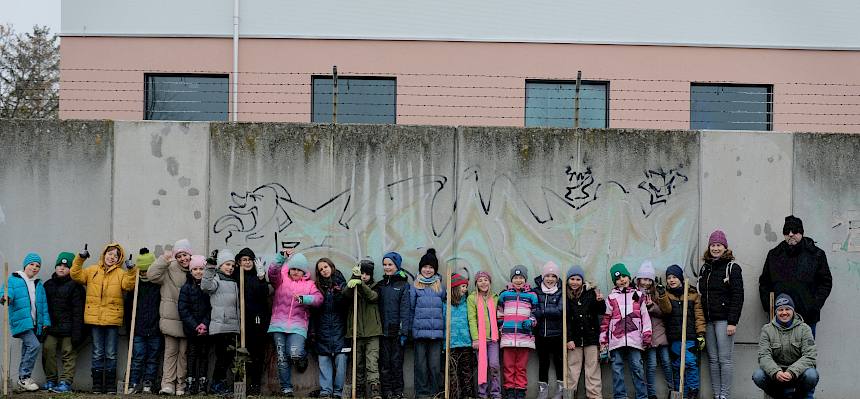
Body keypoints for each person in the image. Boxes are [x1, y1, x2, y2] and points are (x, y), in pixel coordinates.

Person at [70, 243, 137, 394]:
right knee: (97, 352)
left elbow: (129, 285)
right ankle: (97, 385)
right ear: (104, 254)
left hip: (112, 320)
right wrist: (80, 258)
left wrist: (132, 270)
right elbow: (75, 275)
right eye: (110, 254)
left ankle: (111, 386)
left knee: (111, 353)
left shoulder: (121, 273)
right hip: (95, 319)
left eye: (115, 255)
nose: (112, 257)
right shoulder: (92, 270)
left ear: (119, 259)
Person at [759, 215, 832, 336]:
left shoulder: (816, 255)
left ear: (802, 233)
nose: (791, 234)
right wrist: (770, 307)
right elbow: (764, 283)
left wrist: (814, 305)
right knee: (780, 354)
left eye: (795, 231)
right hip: (780, 318)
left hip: (807, 318)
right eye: (787, 231)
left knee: (806, 353)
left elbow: (826, 282)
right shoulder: (774, 255)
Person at [267, 249, 323, 396]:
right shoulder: (281, 280)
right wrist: (281, 257)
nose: (295, 272)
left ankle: (301, 357)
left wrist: (305, 299)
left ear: (304, 271)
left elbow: (319, 299)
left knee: (294, 353)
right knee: (281, 357)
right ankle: (287, 388)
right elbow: (272, 272)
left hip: (298, 326)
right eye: (293, 269)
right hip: (278, 324)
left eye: (299, 269)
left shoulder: (309, 285)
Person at [699, 230, 743, 399]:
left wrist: (733, 321)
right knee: (712, 360)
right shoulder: (705, 268)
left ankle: (724, 395)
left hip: (725, 321)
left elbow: (738, 296)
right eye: (713, 245)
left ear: (725, 247)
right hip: (709, 320)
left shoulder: (732, 268)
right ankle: (716, 395)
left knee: (724, 360)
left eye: (719, 245)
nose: (715, 248)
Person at [148, 238, 195, 395]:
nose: (183, 259)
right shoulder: (169, 268)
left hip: (188, 320)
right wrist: (163, 260)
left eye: (185, 255)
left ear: (190, 255)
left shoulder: (195, 269)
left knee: (184, 354)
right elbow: (152, 275)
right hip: (171, 318)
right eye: (179, 255)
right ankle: (167, 384)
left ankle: (181, 384)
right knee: (170, 352)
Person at [0, 252, 50, 392]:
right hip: (21, 321)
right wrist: (6, 298)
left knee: (27, 348)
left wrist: (45, 321)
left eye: (37, 266)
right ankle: (24, 377)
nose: (34, 268)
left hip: (34, 323)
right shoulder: (13, 280)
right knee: (34, 345)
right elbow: (6, 292)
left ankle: (22, 381)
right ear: (25, 265)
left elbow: (43, 305)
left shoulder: (38, 284)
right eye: (32, 264)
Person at [752, 294, 818, 399]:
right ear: (776, 312)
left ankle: (798, 397)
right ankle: (780, 396)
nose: (784, 313)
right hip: (776, 375)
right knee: (758, 375)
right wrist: (775, 372)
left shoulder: (805, 329)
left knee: (811, 375)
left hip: (798, 374)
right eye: (780, 310)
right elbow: (763, 356)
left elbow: (810, 356)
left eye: (787, 309)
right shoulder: (767, 330)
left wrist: (792, 371)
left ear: (793, 311)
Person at [601, 263, 651, 399]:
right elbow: (606, 320)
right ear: (614, 282)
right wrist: (603, 340)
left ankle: (642, 396)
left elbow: (645, 316)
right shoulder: (611, 298)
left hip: (635, 339)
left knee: (637, 368)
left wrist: (647, 334)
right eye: (618, 278)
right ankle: (620, 396)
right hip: (616, 341)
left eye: (624, 276)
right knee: (617, 369)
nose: (622, 279)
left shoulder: (639, 295)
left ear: (629, 277)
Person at [656, 264, 705, 399]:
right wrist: (661, 294)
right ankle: (679, 392)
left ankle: (693, 389)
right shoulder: (667, 295)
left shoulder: (692, 294)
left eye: (674, 277)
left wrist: (701, 334)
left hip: (689, 336)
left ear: (680, 279)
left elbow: (699, 315)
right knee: (677, 365)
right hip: (675, 337)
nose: (671, 280)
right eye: (669, 278)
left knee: (689, 361)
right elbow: (666, 309)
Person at [41, 252, 85, 393]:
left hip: (69, 328)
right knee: (48, 350)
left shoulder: (76, 286)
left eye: (66, 266)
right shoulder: (47, 285)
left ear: (71, 269)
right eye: (59, 265)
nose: (62, 268)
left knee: (68, 353)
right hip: (51, 327)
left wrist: (77, 332)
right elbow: (42, 306)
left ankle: (66, 382)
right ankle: (51, 380)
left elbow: (79, 311)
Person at [232, 247, 272, 395]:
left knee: (256, 353)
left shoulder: (258, 277)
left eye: (249, 260)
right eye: (244, 260)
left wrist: (262, 279)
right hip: (240, 320)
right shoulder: (236, 276)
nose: (247, 262)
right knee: (239, 352)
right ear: (239, 262)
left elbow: (264, 294)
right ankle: (239, 381)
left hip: (256, 320)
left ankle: (255, 384)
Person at [202, 249, 241, 395]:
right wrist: (210, 267)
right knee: (222, 357)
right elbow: (205, 286)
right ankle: (216, 385)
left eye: (232, 265)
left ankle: (221, 383)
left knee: (228, 357)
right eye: (227, 264)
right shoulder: (216, 279)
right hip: (220, 325)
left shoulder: (233, 281)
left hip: (232, 325)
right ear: (220, 265)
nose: (230, 267)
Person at [410, 248, 446, 399]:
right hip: (419, 333)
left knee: (435, 366)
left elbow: (444, 309)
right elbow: (411, 309)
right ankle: (422, 394)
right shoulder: (415, 287)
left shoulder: (440, 288)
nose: (428, 270)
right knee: (421, 366)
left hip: (436, 334)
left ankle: (435, 393)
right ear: (420, 268)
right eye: (425, 267)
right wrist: (410, 331)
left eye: (431, 267)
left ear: (435, 269)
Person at [497, 265, 538, 399]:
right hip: (508, 337)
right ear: (511, 279)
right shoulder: (505, 295)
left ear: (525, 279)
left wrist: (531, 321)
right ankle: (509, 391)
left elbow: (536, 313)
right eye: (516, 278)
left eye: (521, 278)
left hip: (524, 338)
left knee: (521, 367)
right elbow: (499, 314)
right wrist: (501, 328)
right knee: (508, 366)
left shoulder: (532, 295)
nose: (518, 280)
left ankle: (520, 392)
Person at [345, 259, 383, 399]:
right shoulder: (352, 285)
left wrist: (361, 285)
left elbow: (372, 297)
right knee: (358, 364)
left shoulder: (376, 286)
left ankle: (375, 390)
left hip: (372, 332)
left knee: (372, 362)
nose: (364, 276)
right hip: (356, 332)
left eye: (367, 274)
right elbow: (345, 296)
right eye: (362, 274)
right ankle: (359, 391)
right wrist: (353, 280)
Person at [565, 265, 604, 399]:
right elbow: (566, 320)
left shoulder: (590, 293)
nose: (575, 282)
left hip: (591, 337)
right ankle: (570, 395)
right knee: (572, 369)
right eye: (572, 279)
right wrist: (568, 338)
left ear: (582, 281)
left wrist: (600, 302)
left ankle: (594, 396)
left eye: (577, 279)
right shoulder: (566, 296)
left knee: (592, 369)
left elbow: (600, 312)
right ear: (568, 280)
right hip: (574, 339)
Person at [376, 251, 411, 399]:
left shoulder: (403, 285)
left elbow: (405, 310)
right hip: (382, 331)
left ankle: (398, 391)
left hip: (397, 332)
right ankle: (387, 392)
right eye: (384, 264)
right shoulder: (381, 285)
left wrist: (404, 332)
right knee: (384, 364)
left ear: (397, 266)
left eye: (390, 264)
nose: (387, 267)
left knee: (396, 363)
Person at [126, 248, 162, 394]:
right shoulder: (135, 287)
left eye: (148, 270)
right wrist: (129, 329)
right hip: (139, 329)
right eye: (142, 270)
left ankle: (149, 382)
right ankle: (133, 382)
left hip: (155, 329)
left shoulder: (158, 286)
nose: (145, 273)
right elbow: (129, 310)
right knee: (138, 357)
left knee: (153, 358)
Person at [311, 258, 348, 399]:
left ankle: (338, 391)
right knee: (324, 360)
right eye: (321, 269)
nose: (324, 270)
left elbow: (346, 305)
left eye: (325, 266)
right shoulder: (317, 288)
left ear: (331, 266)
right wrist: (313, 332)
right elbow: (314, 312)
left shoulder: (342, 284)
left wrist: (339, 293)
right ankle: (325, 391)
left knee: (341, 359)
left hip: (340, 329)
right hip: (322, 329)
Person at [636, 261, 671, 399]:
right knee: (651, 365)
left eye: (649, 280)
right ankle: (651, 394)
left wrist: (652, 306)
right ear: (639, 279)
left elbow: (665, 312)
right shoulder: (634, 293)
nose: (646, 282)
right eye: (644, 279)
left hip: (660, 333)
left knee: (667, 363)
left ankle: (672, 390)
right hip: (647, 336)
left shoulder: (657, 293)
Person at [178, 255, 211, 395]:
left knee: (204, 354)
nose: (198, 272)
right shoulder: (186, 288)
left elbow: (211, 308)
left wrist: (204, 324)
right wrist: (195, 325)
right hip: (191, 329)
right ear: (190, 271)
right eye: (195, 269)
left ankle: (202, 384)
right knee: (191, 355)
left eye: (201, 269)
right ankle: (190, 383)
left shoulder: (208, 288)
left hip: (205, 329)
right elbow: (183, 309)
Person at [532, 262, 564, 399]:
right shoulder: (536, 291)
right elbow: (533, 310)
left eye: (553, 276)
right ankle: (542, 391)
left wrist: (542, 311)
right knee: (543, 363)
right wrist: (539, 312)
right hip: (541, 334)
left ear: (557, 278)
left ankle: (561, 390)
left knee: (559, 362)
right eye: (547, 276)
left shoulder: (561, 291)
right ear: (542, 277)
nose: (550, 279)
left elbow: (559, 311)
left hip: (557, 334)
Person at [467, 271, 501, 399]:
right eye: (480, 280)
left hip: (493, 339)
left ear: (490, 282)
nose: (483, 283)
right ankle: (482, 394)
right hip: (480, 339)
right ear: (476, 283)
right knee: (482, 366)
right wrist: (475, 338)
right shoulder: (472, 298)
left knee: (494, 365)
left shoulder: (495, 297)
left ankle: (496, 393)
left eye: (485, 280)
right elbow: (472, 319)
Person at [448, 273, 475, 399]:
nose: (465, 289)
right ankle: (454, 396)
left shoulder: (468, 303)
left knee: (466, 372)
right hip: (451, 344)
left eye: (466, 286)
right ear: (454, 287)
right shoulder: (446, 304)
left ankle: (468, 396)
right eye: (462, 286)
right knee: (452, 374)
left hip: (465, 343)